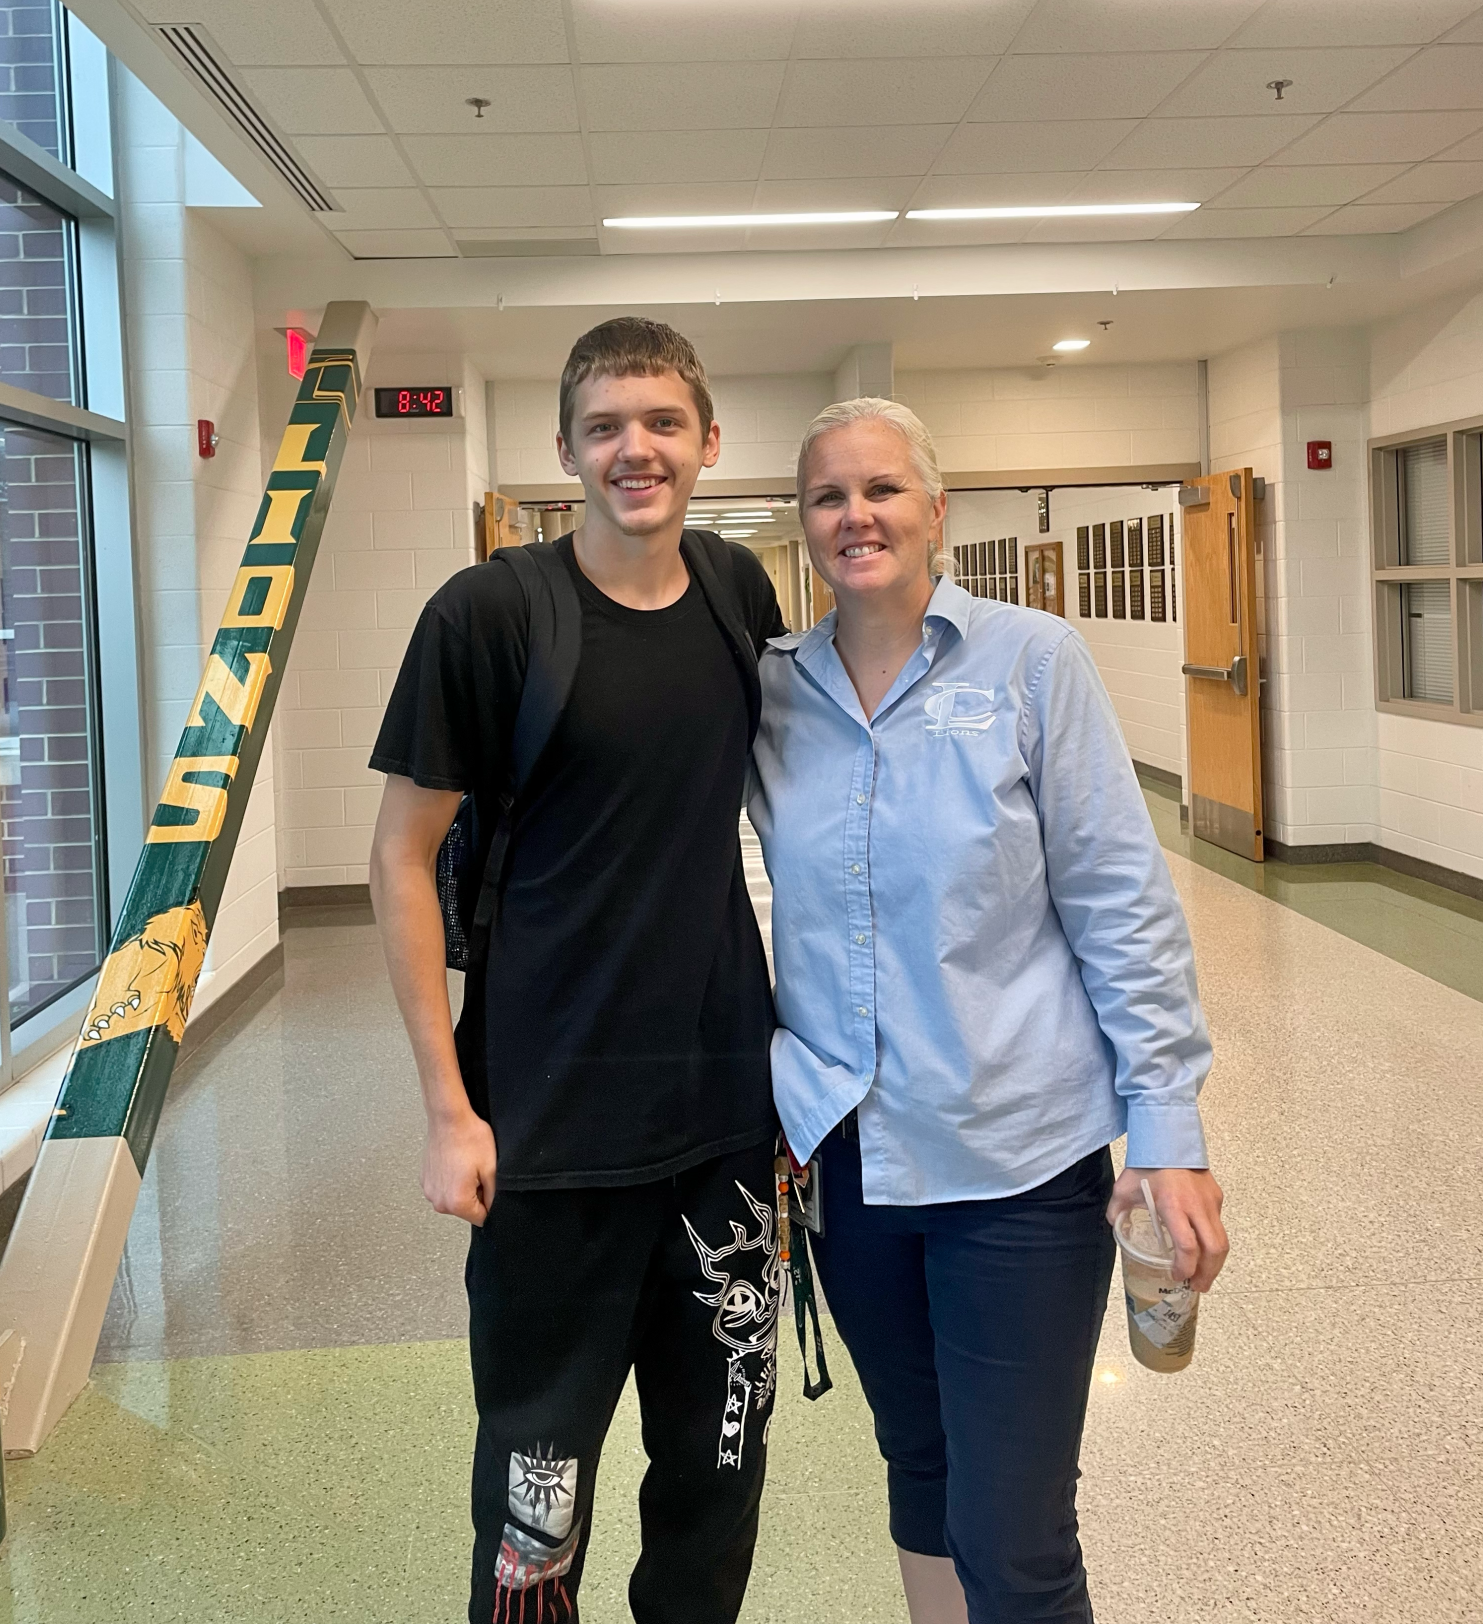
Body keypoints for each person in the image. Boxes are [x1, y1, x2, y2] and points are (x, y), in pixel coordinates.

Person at [747, 398, 1228, 1624]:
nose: (857, 516)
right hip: (849, 1163)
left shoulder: (1031, 659)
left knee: (1014, 1530)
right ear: (802, 526)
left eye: (883, 490)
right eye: (827, 497)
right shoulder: (773, 692)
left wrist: (1167, 1127)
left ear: (935, 509)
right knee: (920, 1475)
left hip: (1014, 1160)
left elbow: (1120, 899)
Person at [367, 318, 786, 1624]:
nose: (635, 449)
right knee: (534, 1501)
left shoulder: (738, 596)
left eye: (662, 421)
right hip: (547, 1136)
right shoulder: (491, 616)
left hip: (724, 1131)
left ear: (708, 443)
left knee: (719, 1477)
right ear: (566, 448)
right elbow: (398, 859)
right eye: (605, 425)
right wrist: (448, 1111)